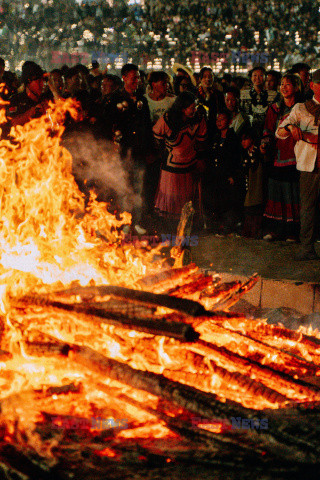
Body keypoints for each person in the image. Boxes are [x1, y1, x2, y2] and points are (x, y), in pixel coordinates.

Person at [103, 63, 155, 234]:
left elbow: (147, 126)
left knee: (139, 187)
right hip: (124, 152)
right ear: (124, 78)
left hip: (140, 151)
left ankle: (137, 221)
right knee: (125, 188)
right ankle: (125, 222)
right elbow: (110, 125)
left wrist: (149, 149)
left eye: (138, 77)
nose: (137, 81)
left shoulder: (142, 100)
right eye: (133, 77)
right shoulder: (115, 99)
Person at [276, 68, 320, 260]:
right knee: (307, 208)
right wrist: (290, 127)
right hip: (309, 167)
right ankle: (307, 248)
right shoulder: (301, 108)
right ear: (312, 86)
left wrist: (305, 134)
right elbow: (279, 132)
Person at [153, 91, 207, 230]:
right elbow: (156, 136)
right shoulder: (167, 119)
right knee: (171, 199)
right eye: (191, 107)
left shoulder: (198, 119)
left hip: (190, 167)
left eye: (194, 107)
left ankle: (186, 228)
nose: (194, 110)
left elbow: (201, 141)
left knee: (186, 200)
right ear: (182, 108)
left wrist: (200, 160)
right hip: (171, 169)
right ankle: (169, 230)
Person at [263, 73, 301, 242]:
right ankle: (276, 230)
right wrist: (265, 143)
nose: (284, 87)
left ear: (297, 87)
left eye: (288, 84)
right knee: (276, 193)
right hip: (277, 158)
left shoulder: (301, 108)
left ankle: (293, 232)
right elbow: (268, 131)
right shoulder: (274, 109)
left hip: (296, 158)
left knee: (292, 195)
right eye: (282, 84)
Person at [203, 110, 241, 234]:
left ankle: (228, 226)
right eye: (217, 120)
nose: (219, 122)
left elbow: (236, 159)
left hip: (227, 176)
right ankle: (215, 225)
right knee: (215, 200)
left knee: (227, 202)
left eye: (222, 119)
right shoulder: (215, 137)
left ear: (229, 121)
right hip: (215, 176)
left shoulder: (233, 138)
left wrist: (233, 175)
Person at [6, 61, 48, 127]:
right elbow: (12, 123)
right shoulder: (15, 100)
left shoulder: (46, 98)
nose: (42, 84)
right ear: (28, 81)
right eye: (38, 81)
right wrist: (32, 111)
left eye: (43, 81)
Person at [240, 66, 278, 138]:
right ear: (251, 77)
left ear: (265, 78)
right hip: (247, 133)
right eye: (255, 75)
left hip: (267, 133)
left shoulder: (273, 95)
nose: (257, 78)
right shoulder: (243, 94)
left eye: (260, 75)